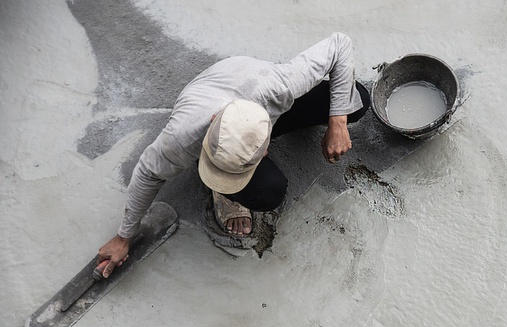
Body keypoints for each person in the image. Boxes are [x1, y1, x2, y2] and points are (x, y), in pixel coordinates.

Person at [97, 33, 370, 278]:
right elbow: (147, 173)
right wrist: (123, 236)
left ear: (264, 150)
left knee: (356, 100)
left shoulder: (281, 86)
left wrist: (338, 122)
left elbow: (339, 44)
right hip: (216, 90)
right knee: (269, 192)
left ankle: (323, 121)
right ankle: (221, 191)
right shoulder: (182, 138)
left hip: (258, 90)